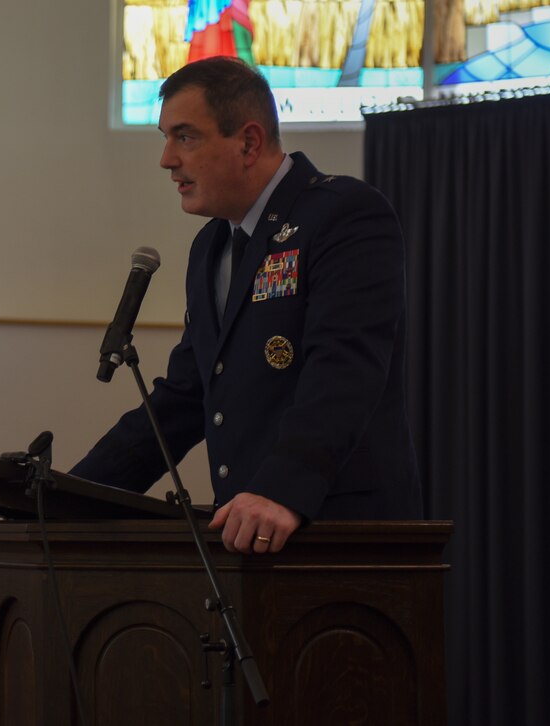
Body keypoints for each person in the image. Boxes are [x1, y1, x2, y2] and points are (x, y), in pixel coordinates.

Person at [71, 56, 422, 555]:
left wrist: (282, 489)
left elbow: (345, 369)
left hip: (340, 533)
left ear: (249, 142)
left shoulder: (343, 214)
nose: (167, 158)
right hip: (250, 536)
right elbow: (185, 399)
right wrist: (72, 496)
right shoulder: (211, 246)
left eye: (185, 137)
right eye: (165, 137)